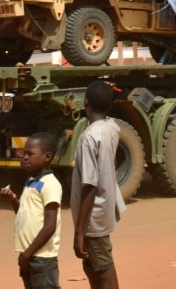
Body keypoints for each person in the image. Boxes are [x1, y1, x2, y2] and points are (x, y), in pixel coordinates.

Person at [71, 80, 126, 289]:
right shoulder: (111, 126)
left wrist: (79, 231)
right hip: (102, 212)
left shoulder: (88, 138)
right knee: (91, 264)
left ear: (86, 103)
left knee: (103, 269)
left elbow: (90, 186)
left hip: (92, 219)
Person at [0, 132, 62, 289]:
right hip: (28, 256)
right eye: (24, 153)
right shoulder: (30, 181)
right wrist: (14, 200)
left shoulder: (50, 184)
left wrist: (28, 254)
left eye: (30, 154)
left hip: (42, 259)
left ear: (47, 157)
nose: (25, 157)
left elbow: (50, 226)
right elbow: (24, 214)